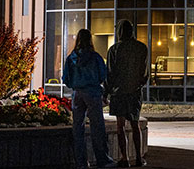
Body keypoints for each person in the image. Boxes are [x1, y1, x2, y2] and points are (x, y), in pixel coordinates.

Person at [63, 28, 115, 168]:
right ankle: (102, 160)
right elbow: (103, 75)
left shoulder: (71, 58)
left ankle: (81, 162)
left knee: (77, 128)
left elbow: (66, 79)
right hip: (92, 93)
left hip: (77, 94)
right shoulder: (95, 57)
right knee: (97, 127)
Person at [106, 19, 150, 167]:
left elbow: (110, 74)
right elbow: (145, 73)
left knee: (120, 126)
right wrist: (139, 84)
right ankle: (138, 157)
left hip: (118, 93)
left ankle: (124, 158)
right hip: (134, 92)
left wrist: (106, 93)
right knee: (135, 124)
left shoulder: (114, 50)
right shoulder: (141, 48)